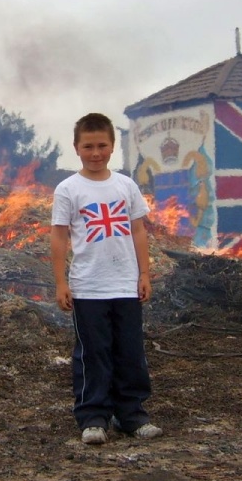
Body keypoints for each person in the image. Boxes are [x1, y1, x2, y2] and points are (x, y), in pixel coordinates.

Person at [50, 112, 162, 445]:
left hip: (125, 284)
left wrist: (144, 273)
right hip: (88, 287)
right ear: (76, 148)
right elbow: (59, 237)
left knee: (130, 351)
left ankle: (132, 415)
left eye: (102, 145)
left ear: (112, 146)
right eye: (88, 146)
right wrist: (60, 282)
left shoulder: (125, 185)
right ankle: (93, 417)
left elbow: (138, 231)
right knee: (93, 353)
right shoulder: (68, 189)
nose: (95, 152)